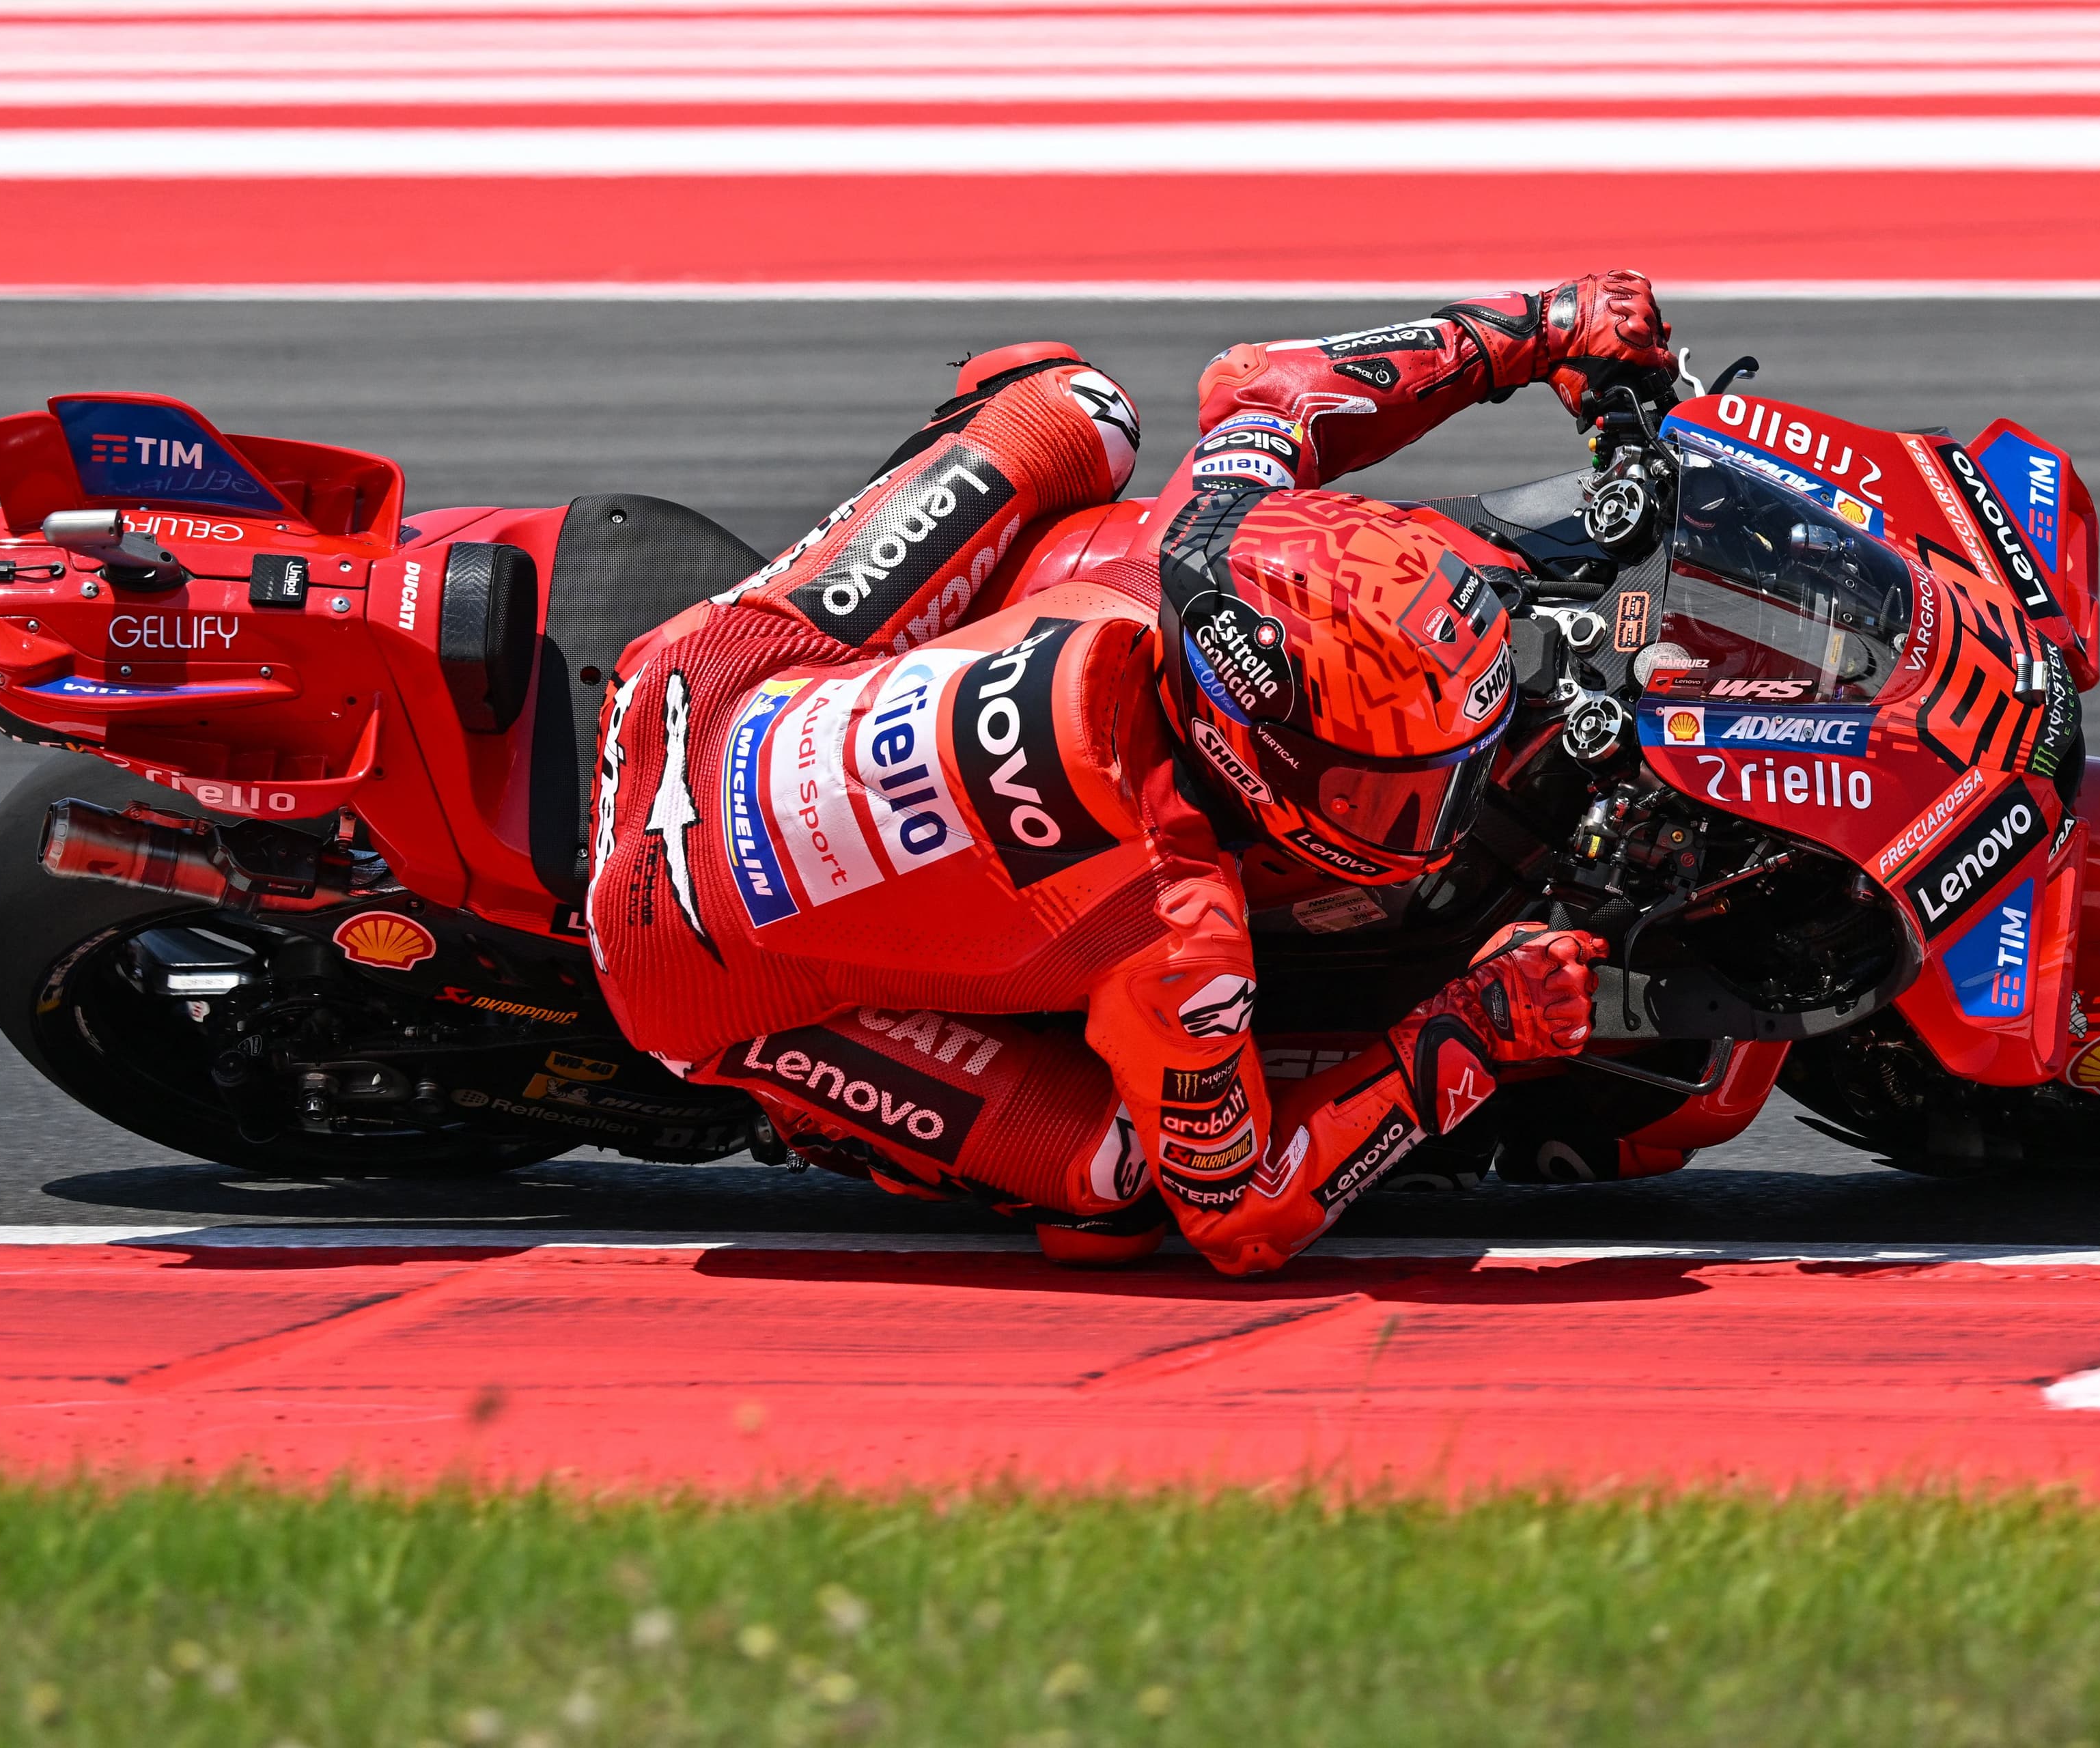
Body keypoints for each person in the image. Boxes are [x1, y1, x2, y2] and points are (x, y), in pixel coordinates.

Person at [588, 271, 1679, 1274]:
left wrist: (1537, 332)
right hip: (679, 951)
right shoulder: (1180, 932)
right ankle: (790, 1103)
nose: (1433, 814)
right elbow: (1245, 1218)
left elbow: (1268, 385)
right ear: (1252, 756)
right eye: (1386, 791)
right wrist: (1472, 1031)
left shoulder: (1206, 524)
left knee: (1076, 407)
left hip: (707, 676)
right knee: (1115, 1190)